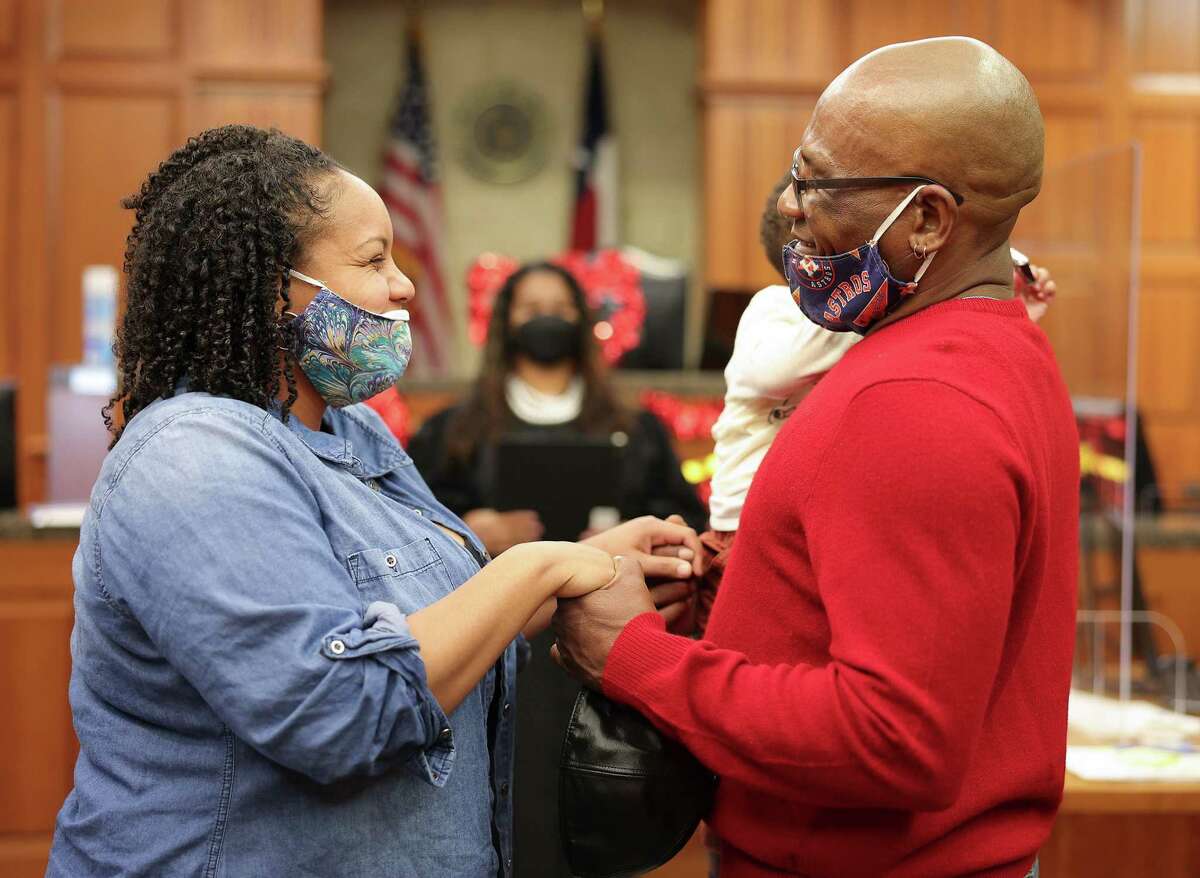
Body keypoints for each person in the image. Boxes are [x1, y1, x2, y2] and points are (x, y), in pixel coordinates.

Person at [48, 125, 701, 878]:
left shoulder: (355, 431)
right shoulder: (194, 456)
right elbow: (341, 711)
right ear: (274, 288)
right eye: (373, 259)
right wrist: (534, 568)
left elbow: (443, 629)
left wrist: (593, 566)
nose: (405, 287)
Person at [553, 37, 1078, 878]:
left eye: (817, 183)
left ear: (930, 219)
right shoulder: (983, 348)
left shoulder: (914, 401)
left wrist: (636, 657)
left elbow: (894, 740)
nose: (790, 208)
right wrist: (739, 594)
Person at [698, 174, 1057, 632]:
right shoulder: (774, 310)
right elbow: (772, 371)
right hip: (744, 533)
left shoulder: (875, 321)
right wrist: (870, 295)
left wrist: (1014, 304)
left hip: (825, 529)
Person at [408, 260, 708, 556]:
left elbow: (685, 520)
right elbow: (406, 518)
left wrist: (636, 533)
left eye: (561, 309)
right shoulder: (454, 429)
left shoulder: (639, 430)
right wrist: (463, 530)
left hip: (612, 588)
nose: (547, 319)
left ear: (581, 319)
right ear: (506, 322)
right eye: (532, 310)